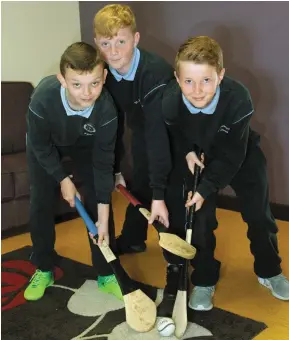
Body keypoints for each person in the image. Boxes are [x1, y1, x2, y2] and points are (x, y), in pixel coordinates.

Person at [160, 35, 289, 312]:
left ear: (220, 75)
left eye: (206, 80)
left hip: (240, 155)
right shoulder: (170, 100)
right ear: (177, 77)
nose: (196, 90)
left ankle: (270, 271)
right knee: (200, 221)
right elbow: (175, 131)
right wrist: (187, 151)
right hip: (199, 157)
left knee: (259, 216)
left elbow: (232, 156)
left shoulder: (238, 98)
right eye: (188, 81)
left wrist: (206, 189)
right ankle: (205, 277)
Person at [24, 42, 123, 301]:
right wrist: (62, 178)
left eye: (94, 83)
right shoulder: (43, 98)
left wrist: (103, 212)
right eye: (77, 84)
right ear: (62, 80)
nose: (87, 92)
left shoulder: (107, 111)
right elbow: (39, 145)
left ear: (104, 77)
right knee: (41, 203)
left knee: (98, 204)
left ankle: (106, 272)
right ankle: (44, 267)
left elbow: (103, 165)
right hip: (46, 147)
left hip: (85, 146)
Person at [93, 4, 173, 255]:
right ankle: (133, 238)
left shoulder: (154, 73)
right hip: (142, 130)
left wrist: (158, 193)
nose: (113, 52)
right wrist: (116, 168)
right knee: (140, 183)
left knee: (167, 192)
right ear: (96, 42)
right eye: (106, 44)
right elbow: (113, 125)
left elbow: (158, 136)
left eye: (121, 42)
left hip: (175, 134)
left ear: (136, 39)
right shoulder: (104, 74)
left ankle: (175, 258)